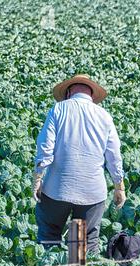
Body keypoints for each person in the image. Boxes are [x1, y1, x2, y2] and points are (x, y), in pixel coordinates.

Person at [33, 74, 125, 254]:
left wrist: (38, 177)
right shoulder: (104, 115)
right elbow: (114, 155)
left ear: (68, 92)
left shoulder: (58, 109)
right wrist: (119, 186)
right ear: (91, 95)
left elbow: (45, 147)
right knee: (86, 241)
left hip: (57, 189)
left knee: (49, 235)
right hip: (92, 192)